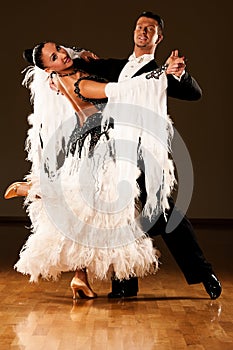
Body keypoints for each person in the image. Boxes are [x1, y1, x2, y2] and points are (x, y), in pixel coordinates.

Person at [5, 41, 180, 300]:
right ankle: (34, 189)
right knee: (96, 210)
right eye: (55, 56)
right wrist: (161, 72)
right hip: (96, 149)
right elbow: (121, 90)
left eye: (60, 49)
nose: (63, 55)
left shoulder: (69, 72)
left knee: (86, 212)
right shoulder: (78, 84)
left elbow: (75, 56)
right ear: (48, 69)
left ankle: (80, 277)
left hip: (100, 143)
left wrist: (83, 56)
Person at [71, 11, 222, 300]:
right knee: (121, 214)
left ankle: (203, 272)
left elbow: (195, 93)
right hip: (114, 149)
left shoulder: (162, 72)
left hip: (144, 150)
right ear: (134, 32)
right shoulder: (118, 67)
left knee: (162, 213)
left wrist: (178, 73)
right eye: (140, 26)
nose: (143, 31)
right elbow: (78, 64)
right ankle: (125, 282)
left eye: (150, 29)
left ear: (158, 37)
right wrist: (68, 61)